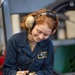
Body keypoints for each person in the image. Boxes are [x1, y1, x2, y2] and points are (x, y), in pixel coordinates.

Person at [2, 9, 58, 75]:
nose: (40, 37)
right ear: (31, 25)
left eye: (46, 34)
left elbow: (48, 70)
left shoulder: (48, 43)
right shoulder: (14, 41)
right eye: (39, 31)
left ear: (52, 32)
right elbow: (7, 69)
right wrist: (15, 73)